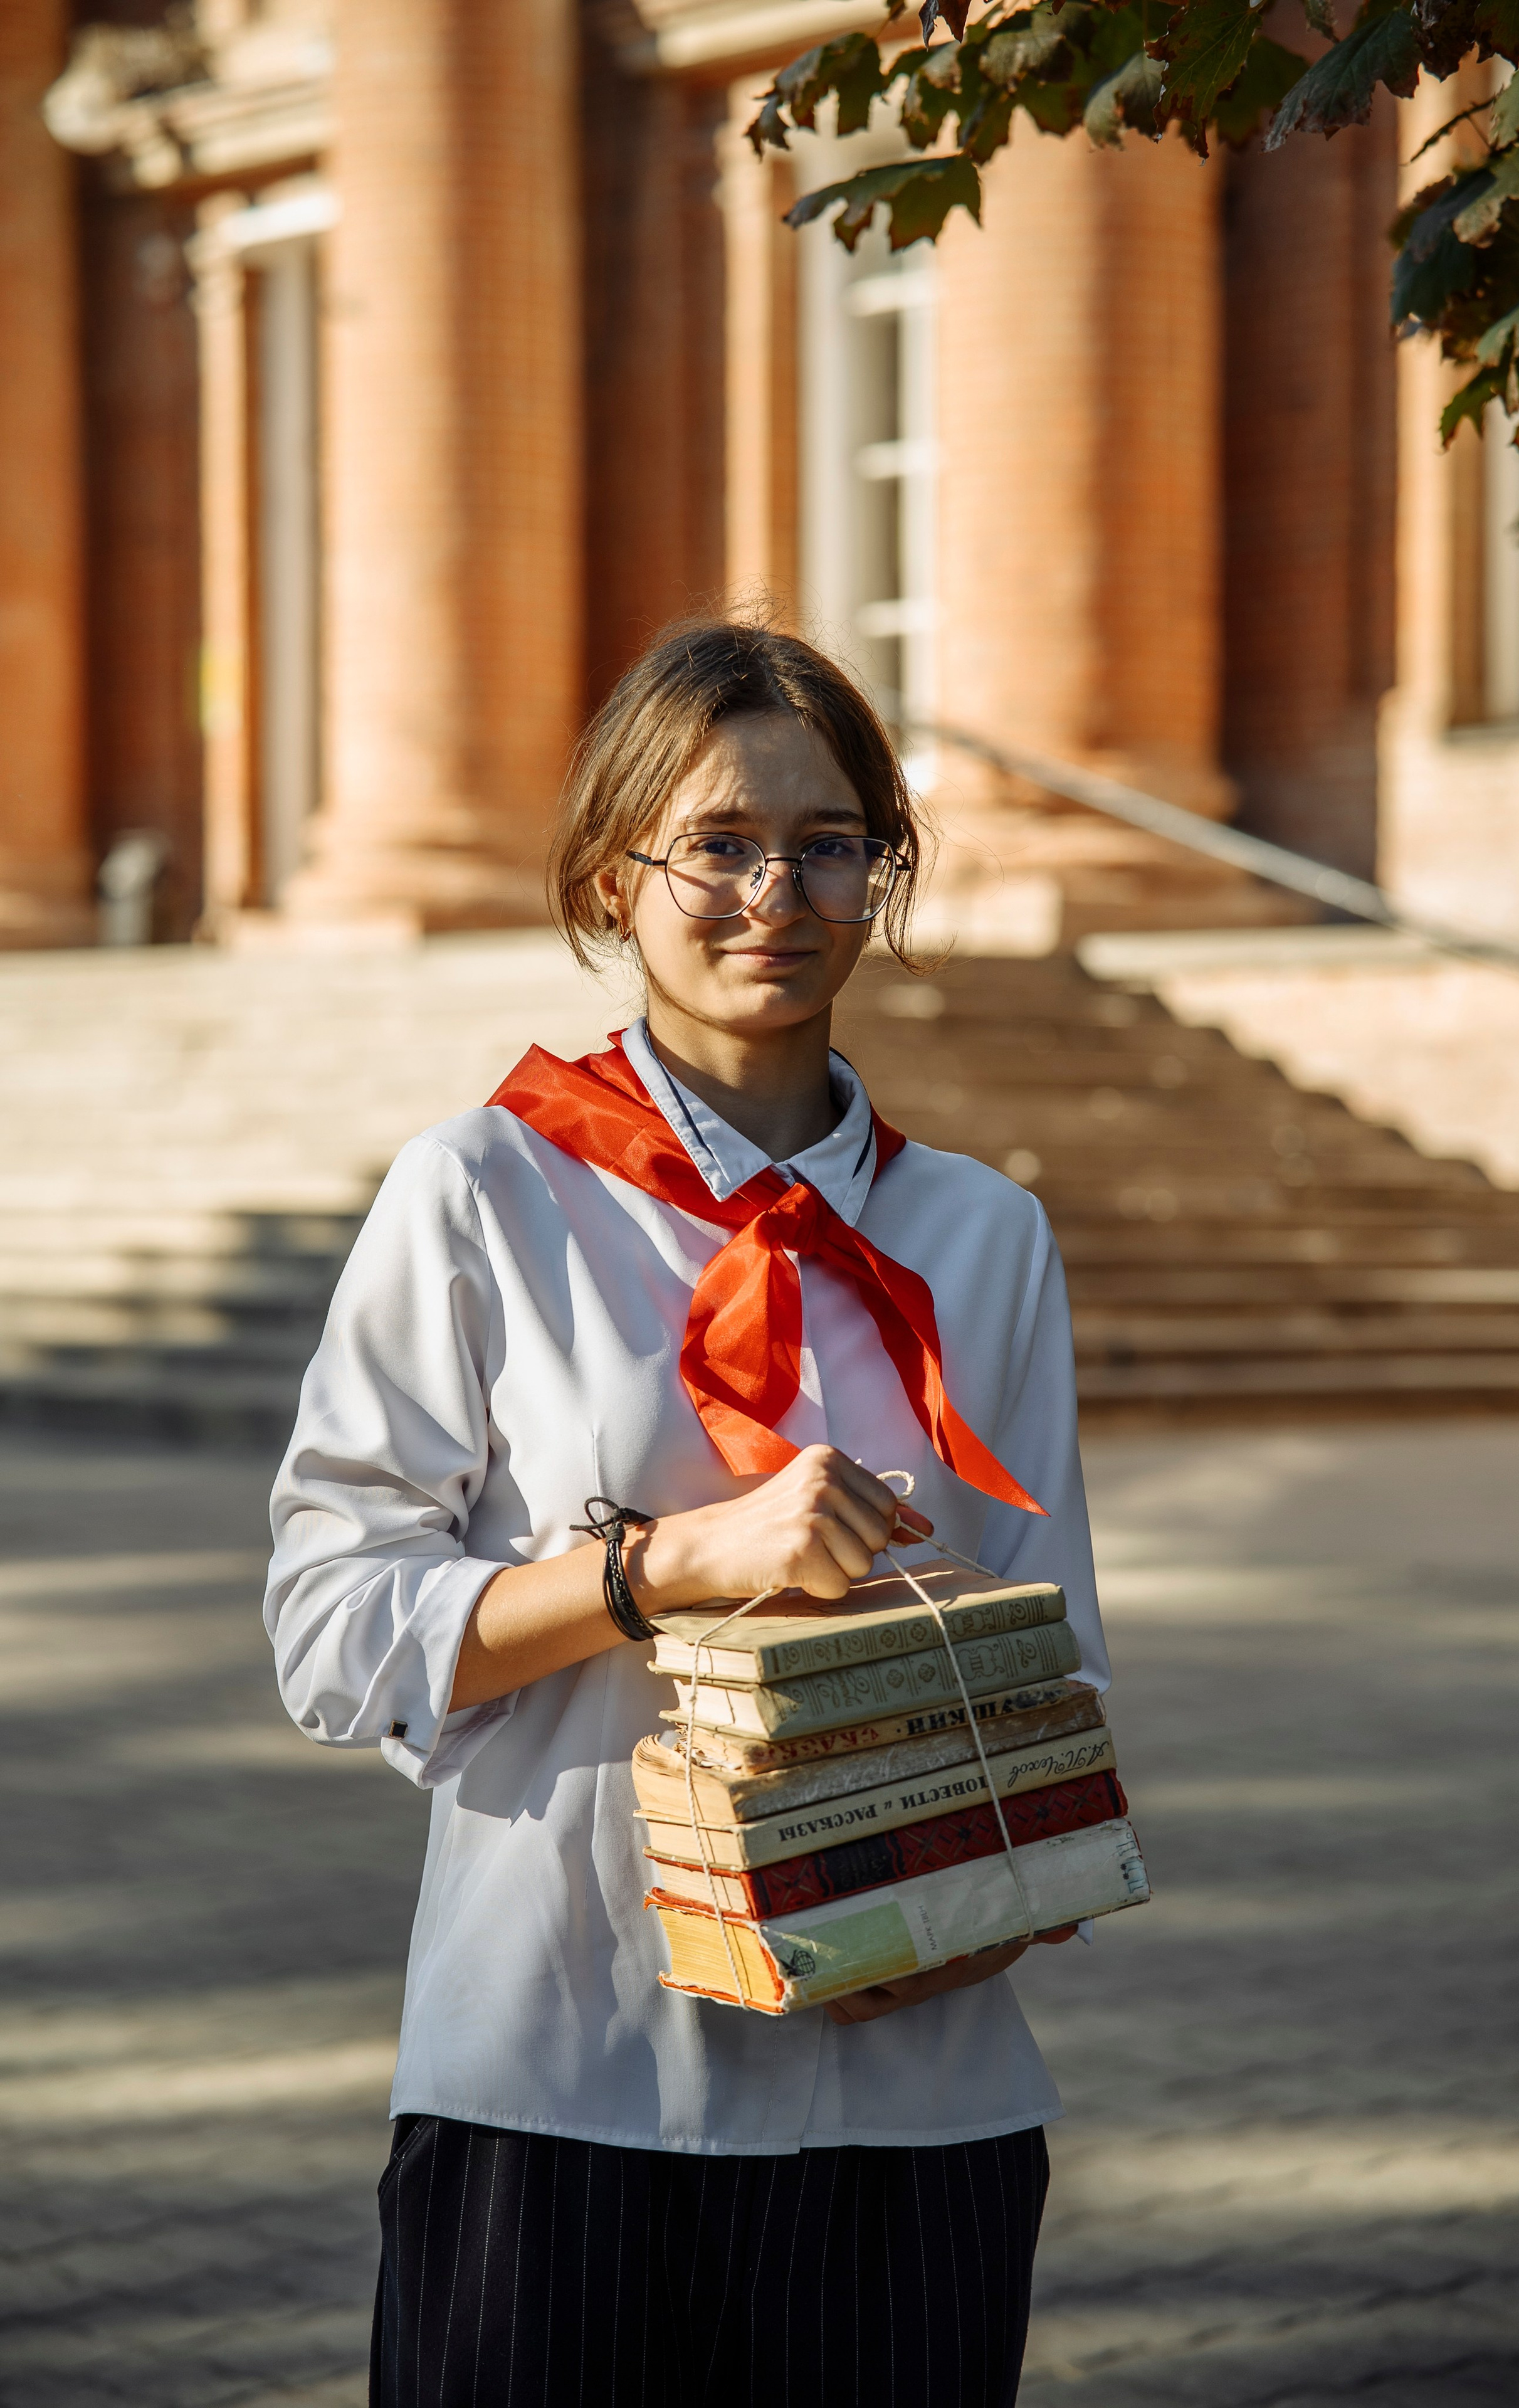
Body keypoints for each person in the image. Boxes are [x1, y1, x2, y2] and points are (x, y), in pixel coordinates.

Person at [264, 619, 1112, 2408]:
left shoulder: (983, 1236)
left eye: (829, 844)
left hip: (920, 2099)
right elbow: (333, 1630)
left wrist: (985, 1908)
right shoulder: (480, 1193)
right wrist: (658, 1573)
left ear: (884, 874)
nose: (774, 894)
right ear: (611, 875)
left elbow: (1055, 1666)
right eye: (718, 843)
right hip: (565, 2082)